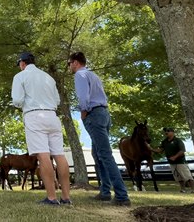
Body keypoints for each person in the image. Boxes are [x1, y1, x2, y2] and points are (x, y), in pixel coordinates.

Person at [68, 51, 131, 206]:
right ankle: (104, 192)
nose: (69, 66)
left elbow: (83, 97)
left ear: (76, 62)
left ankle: (122, 196)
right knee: (97, 154)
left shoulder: (80, 75)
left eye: (69, 63)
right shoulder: (93, 75)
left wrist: (83, 111)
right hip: (104, 114)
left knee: (105, 154)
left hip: (93, 114)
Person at [11, 52, 71, 206]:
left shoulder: (21, 76)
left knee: (43, 156)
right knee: (59, 155)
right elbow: (57, 100)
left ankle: (51, 198)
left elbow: (17, 100)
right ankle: (66, 198)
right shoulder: (48, 78)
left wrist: (24, 102)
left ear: (22, 63)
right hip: (52, 115)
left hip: (34, 116)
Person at [148, 128, 194, 193]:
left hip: (180, 162)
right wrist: (151, 149)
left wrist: (174, 157)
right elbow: (160, 150)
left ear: (172, 132)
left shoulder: (178, 140)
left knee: (187, 176)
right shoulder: (164, 141)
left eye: (168, 131)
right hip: (172, 163)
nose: (166, 132)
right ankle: (183, 189)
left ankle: (193, 190)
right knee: (178, 177)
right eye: (165, 131)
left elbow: (182, 151)